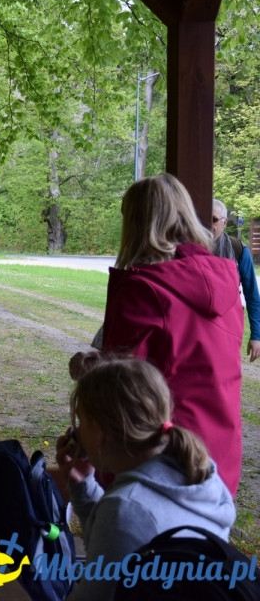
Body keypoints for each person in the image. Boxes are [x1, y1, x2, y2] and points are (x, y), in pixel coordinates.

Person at [69, 174, 243, 496]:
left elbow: (119, 389)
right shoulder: (226, 283)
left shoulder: (143, 289)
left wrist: (88, 370)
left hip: (159, 460)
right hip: (216, 461)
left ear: (135, 224)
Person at [56, 356, 235, 601]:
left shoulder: (126, 508)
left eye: (81, 421)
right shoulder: (200, 474)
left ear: (99, 432)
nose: (77, 431)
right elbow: (113, 547)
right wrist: (82, 485)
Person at [212, 198, 260, 362]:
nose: (208, 224)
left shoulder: (238, 250)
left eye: (214, 219)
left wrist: (256, 335)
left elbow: (252, 295)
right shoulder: (189, 247)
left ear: (224, 222)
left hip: (228, 326)